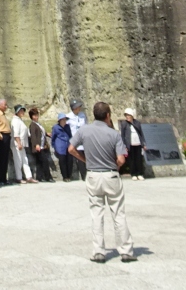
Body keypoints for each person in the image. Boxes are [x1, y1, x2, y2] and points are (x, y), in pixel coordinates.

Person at [71, 102, 135, 264]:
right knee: (118, 213)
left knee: (97, 214)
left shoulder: (84, 130)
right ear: (107, 115)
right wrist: (115, 165)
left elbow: (71, 149)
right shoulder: (113, 134)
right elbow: (121, 158)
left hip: (93, 174)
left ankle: (99, 251)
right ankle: (126, 251)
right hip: (110, 174)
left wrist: (85, 160)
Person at [119, 108, 146, 180]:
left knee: (139, 159)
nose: (127, 117)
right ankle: (133, 173)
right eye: (126, 115)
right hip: (130, 144)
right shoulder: (124, 124)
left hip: (138, 143)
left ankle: (140, 173)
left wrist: (143, 144)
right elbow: (123, 135)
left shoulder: (137, 123)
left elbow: (141, 133)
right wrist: (124, 146)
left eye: (129, 115)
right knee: (132, 160)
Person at [11, 106, 36, 183]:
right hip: (17, 143)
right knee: (18, 161)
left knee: (25, 160)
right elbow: (16, 134)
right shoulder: (15, 121)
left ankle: (29, 177)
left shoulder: (20, 120)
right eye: (21, 111)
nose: (23, 112)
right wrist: (18, 143)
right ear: (17, 112)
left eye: (23, 111)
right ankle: (19, 178)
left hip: (22, 143)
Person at [28, 108, 53, 182]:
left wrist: (47, 134)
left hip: (42, 145)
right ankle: (48, 177)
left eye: (37, 115)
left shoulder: (38, 124)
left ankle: (40, 177)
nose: (37, 117)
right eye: (35, 115)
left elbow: (41, 132)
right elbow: (33, 136)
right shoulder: (33, 125)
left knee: (39, 162)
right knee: (44, 161)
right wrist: (36, 145)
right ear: (32, 116)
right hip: (39, 146)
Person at [51, 113, 75, 182]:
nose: (64, 121)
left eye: (65, 120)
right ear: (60, 120)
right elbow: (53, 137)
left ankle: (69, 176)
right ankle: (65, 177)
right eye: (63, 120)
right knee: (62, 161)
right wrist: (54, 146)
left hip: (67, 145)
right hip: (60, 147)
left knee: (70, 160)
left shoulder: (67, 127)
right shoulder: (56, 127)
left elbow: (70, 135)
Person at [68, 100, 88, 181]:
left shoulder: (83, 115)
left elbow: (86, 125)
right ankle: (84, 176)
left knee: (86, 156)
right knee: (79, 158)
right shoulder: (68, 117)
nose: (79, 108)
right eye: (77, 107)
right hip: (75, 140)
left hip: (84, 139)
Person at [0, 100, 12, 185]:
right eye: (5, 105)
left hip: (7, 136)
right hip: (1, 137)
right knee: (0, 159)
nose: (6, 106)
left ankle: (3, 179)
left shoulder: (3, 114)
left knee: (5, 158)